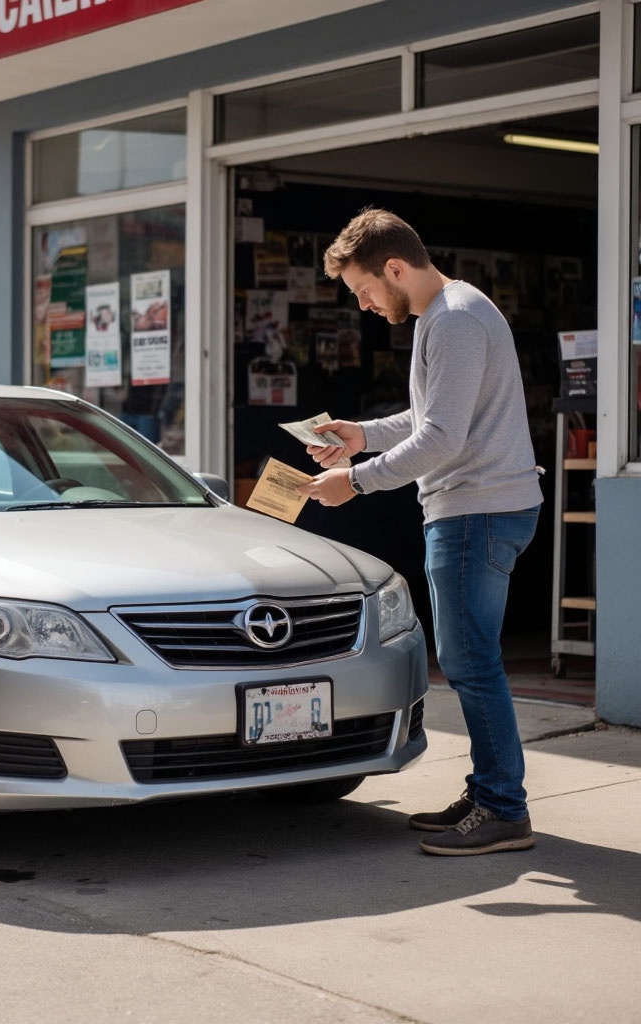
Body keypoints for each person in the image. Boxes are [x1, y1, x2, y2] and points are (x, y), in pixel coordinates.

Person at [299, 208, 543, 857]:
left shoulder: (455, 319)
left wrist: (353, 481)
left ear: (396, 268)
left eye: (365, 290)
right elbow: (427, 413)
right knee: (470, 660)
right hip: (479, 508)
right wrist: (363, 434)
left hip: (474, 512)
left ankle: (502, 808)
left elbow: (441, 437)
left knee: (469, 662)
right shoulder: (450, 313)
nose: (367, 306)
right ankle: (490, 790)